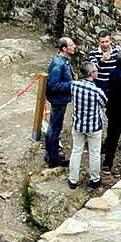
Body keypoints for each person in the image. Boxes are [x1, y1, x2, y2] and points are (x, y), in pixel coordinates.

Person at [68, 63, 108, 189]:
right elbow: (104, 103)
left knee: (76, 150)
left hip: (78, 124)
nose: (97, 72)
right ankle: (95, 179)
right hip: (93, 126)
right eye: (96, 71)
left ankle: (73, 180)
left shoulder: (74, 85)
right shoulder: (97, 91)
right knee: (94, 153)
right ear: (91, 74)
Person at [43, 37, 76, 168]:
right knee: (55, 128)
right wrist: (71, 84)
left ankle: (51, 154)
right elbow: (54, 85)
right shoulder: (59, 64)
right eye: (71, 45)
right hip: (58, 100)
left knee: (54, 127)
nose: (74, 46)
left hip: (60, 99)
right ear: (64, 49)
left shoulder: (64, 60)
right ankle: (53, 159)